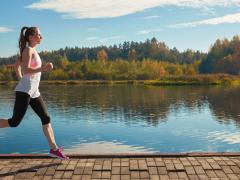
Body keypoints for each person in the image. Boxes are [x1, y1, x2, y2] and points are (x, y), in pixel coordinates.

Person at [0, 26, 69, 160]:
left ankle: (54, 149)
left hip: (33, 91)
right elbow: (26, 69)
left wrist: (21, 79)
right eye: (38, 34)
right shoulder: (28, 50)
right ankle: (54, 149)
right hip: (25, 92)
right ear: (31, 36)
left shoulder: (32, 51)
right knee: (14, 122)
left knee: (46, 118)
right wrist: (43, 68)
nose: (41, 37)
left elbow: (17, 66)